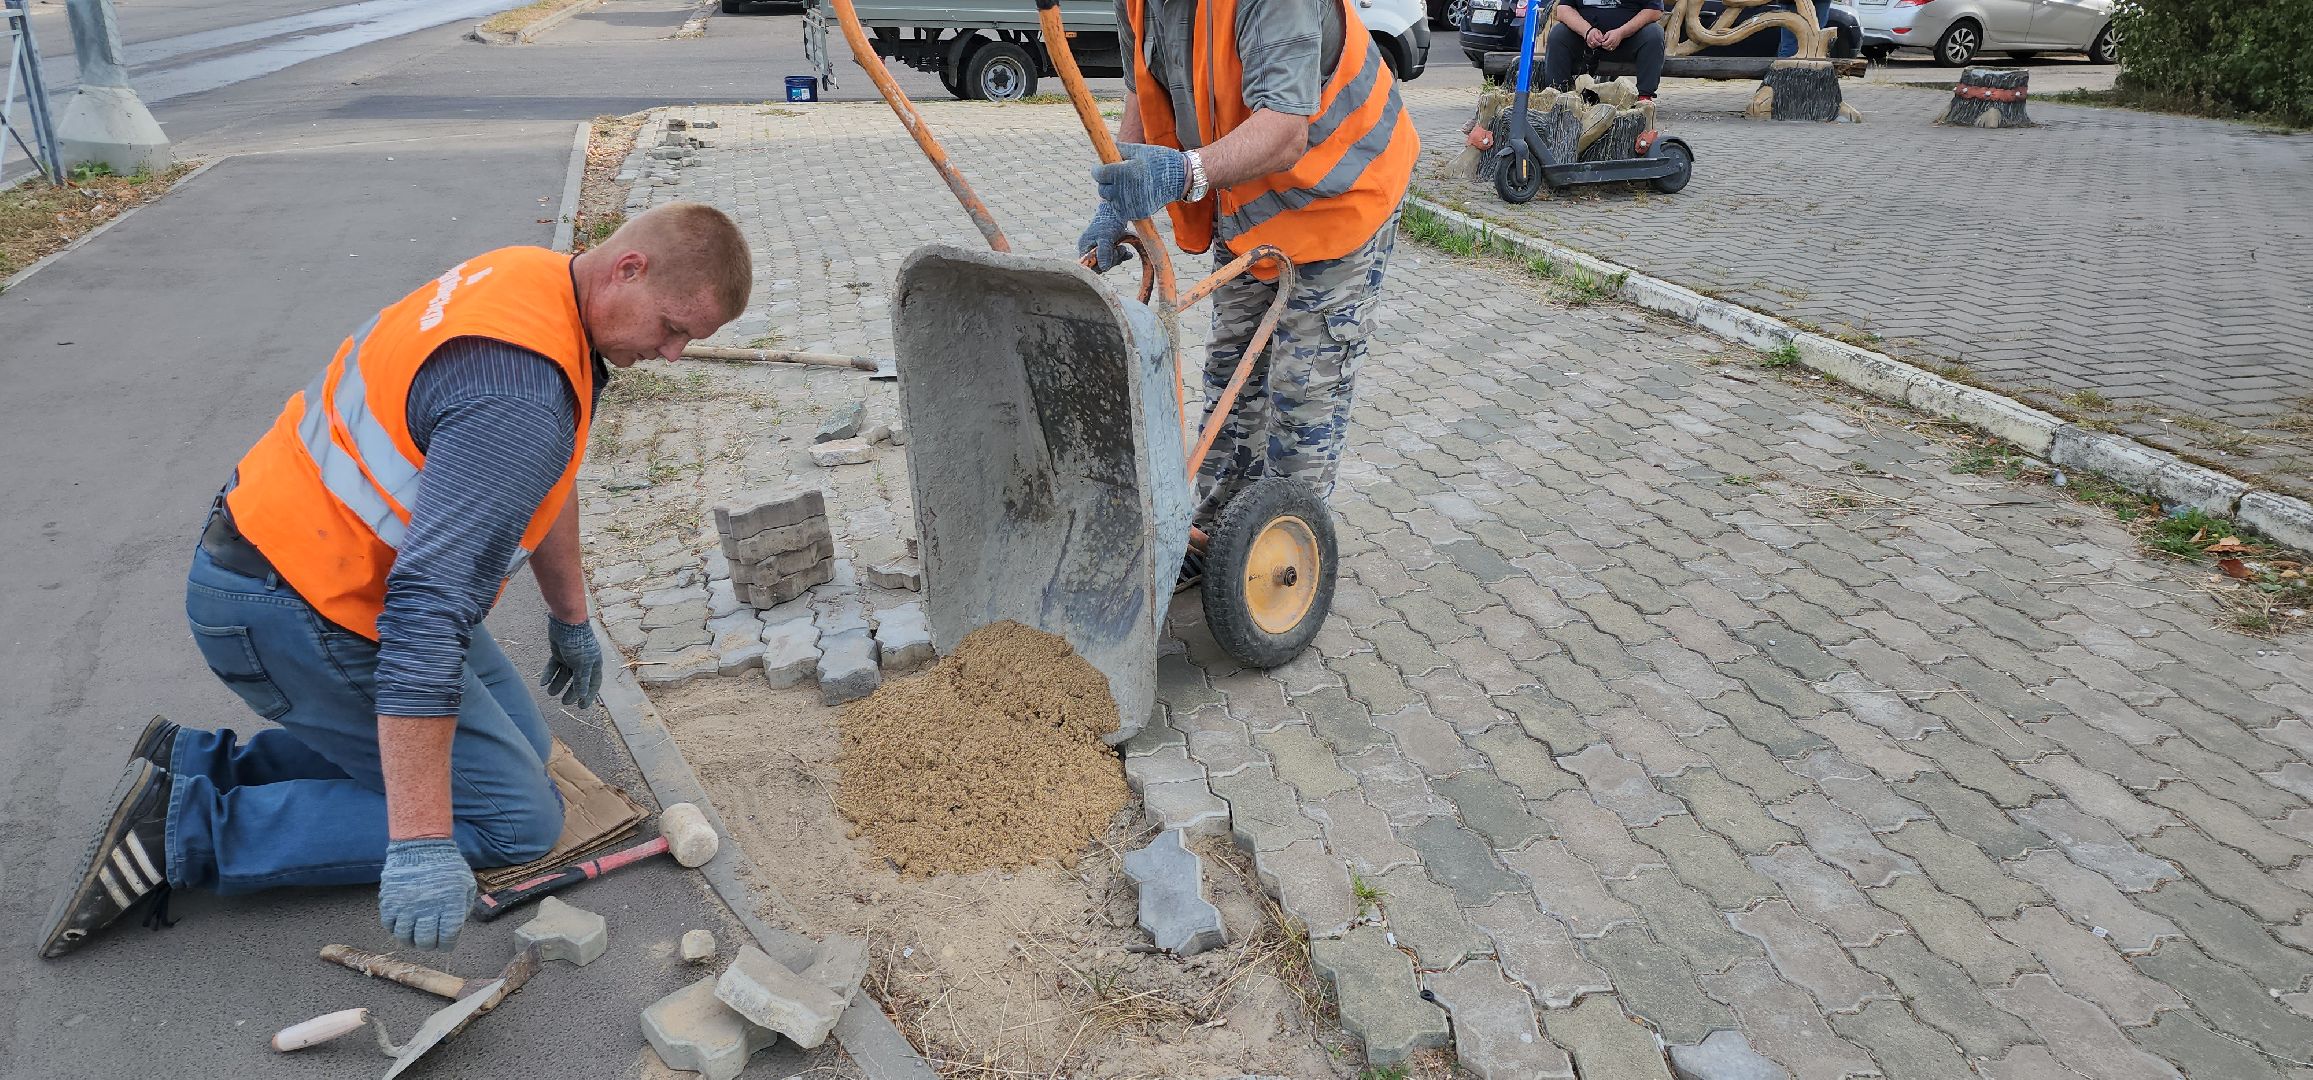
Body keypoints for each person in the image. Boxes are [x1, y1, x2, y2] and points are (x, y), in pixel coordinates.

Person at [40, 202, 752, 959]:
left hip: (297, 558)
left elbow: (551, 477)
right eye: (672, 328)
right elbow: (424, 619)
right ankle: (182, 832)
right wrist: (418, 841)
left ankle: (200, 766)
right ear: (629, 269)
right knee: (516, 819)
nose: (672, 353)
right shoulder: (519, 399)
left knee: (527, 749)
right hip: (298, 609)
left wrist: (569, 616)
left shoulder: (532, 281)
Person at [1080, 0, 1419, 561]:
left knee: (1303, 394)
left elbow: (1284, 131)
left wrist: (1186, 172)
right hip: (1251, 203)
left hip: (1341, 192)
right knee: (1231, 377)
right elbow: (1143, 89)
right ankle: (1213, 540)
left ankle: (1284, 564)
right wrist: (1116, 201)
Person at [1541, 0, 1666, 101]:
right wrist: (1587, 31)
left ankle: (1644, 97)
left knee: (1654, 34)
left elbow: (1654, 10)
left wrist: (1622, 32)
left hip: (1628, 41)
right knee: (1558, 34)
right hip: (1584, 41)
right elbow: (1563, 9)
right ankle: (1558, 96)